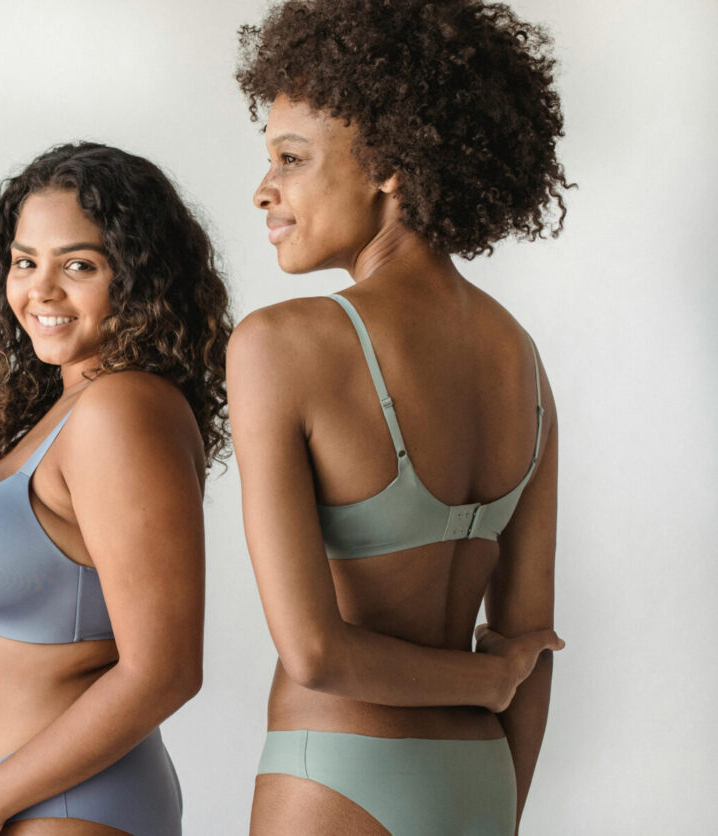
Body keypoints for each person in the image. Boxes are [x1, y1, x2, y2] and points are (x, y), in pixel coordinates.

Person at [229, 1, 572, 833]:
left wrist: (485, 681)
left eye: (291, 158)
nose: (262, 190)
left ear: (388, 162)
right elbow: (527, 641)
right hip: (481, 779)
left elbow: (313, 653)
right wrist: (495, 774)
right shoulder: (520, 359)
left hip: (335, 774)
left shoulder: (283, 344)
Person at [0, 142, 232, 835]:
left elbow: (165, 671)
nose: (42, 290)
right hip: (29, 803)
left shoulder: (123, 410)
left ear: (140, 279)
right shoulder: (63, 404)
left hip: (68, 807)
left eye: (79, 265)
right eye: (25, 262)